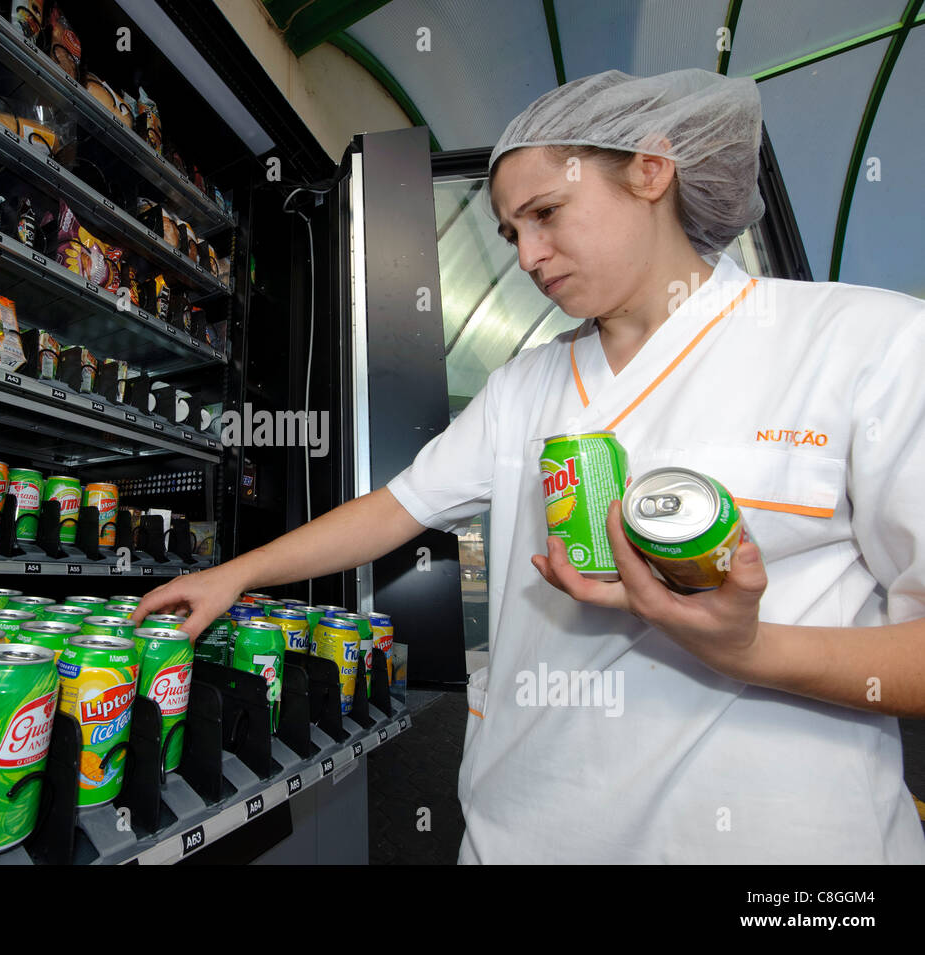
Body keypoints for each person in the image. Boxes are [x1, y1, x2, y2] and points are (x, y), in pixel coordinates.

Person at [132, 69, 925, 864]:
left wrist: (748, 648)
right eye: (512, 233)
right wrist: (236, 573)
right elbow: (398, 506)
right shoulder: (527, 384)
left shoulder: (865, 346)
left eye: (546, 213)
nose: (529, 257)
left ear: (652, 170)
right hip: (525, 830)